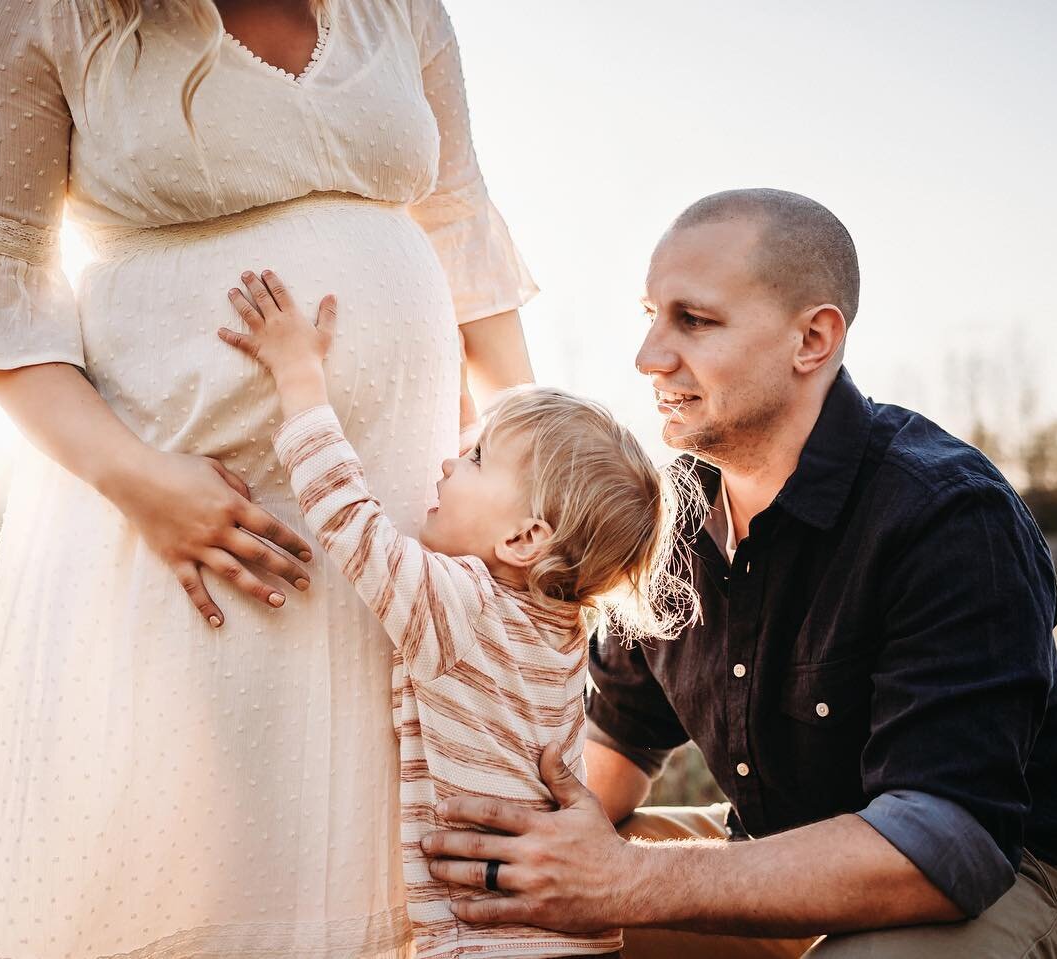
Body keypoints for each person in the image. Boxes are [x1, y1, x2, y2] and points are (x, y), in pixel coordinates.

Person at [0, 1, 534, 955]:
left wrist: (537, 467)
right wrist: (146, 487)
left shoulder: (400, 9)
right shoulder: (42, 15)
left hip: (402, 514)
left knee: (382, 814)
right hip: (181, 511)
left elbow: (464, 247)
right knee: (206, 836)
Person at [420, 189, 1057, 958]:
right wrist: (523, 855)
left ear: (813, 337)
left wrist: (625, 880)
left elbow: (949, 846)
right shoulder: (668, 522)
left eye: (694, 321)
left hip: (1017, 876)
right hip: (782, 859)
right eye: (651, 316)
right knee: (512, 903)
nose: (649, 358)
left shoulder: (945, 516)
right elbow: (611, 750)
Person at [214, 266, 698, 957]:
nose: (446, 464)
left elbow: (350, 518)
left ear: (526, 538)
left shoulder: (462, 605)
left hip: (494, 946)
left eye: (474, 458)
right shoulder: (555, 625)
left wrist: (299, 376)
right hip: (575, 939)